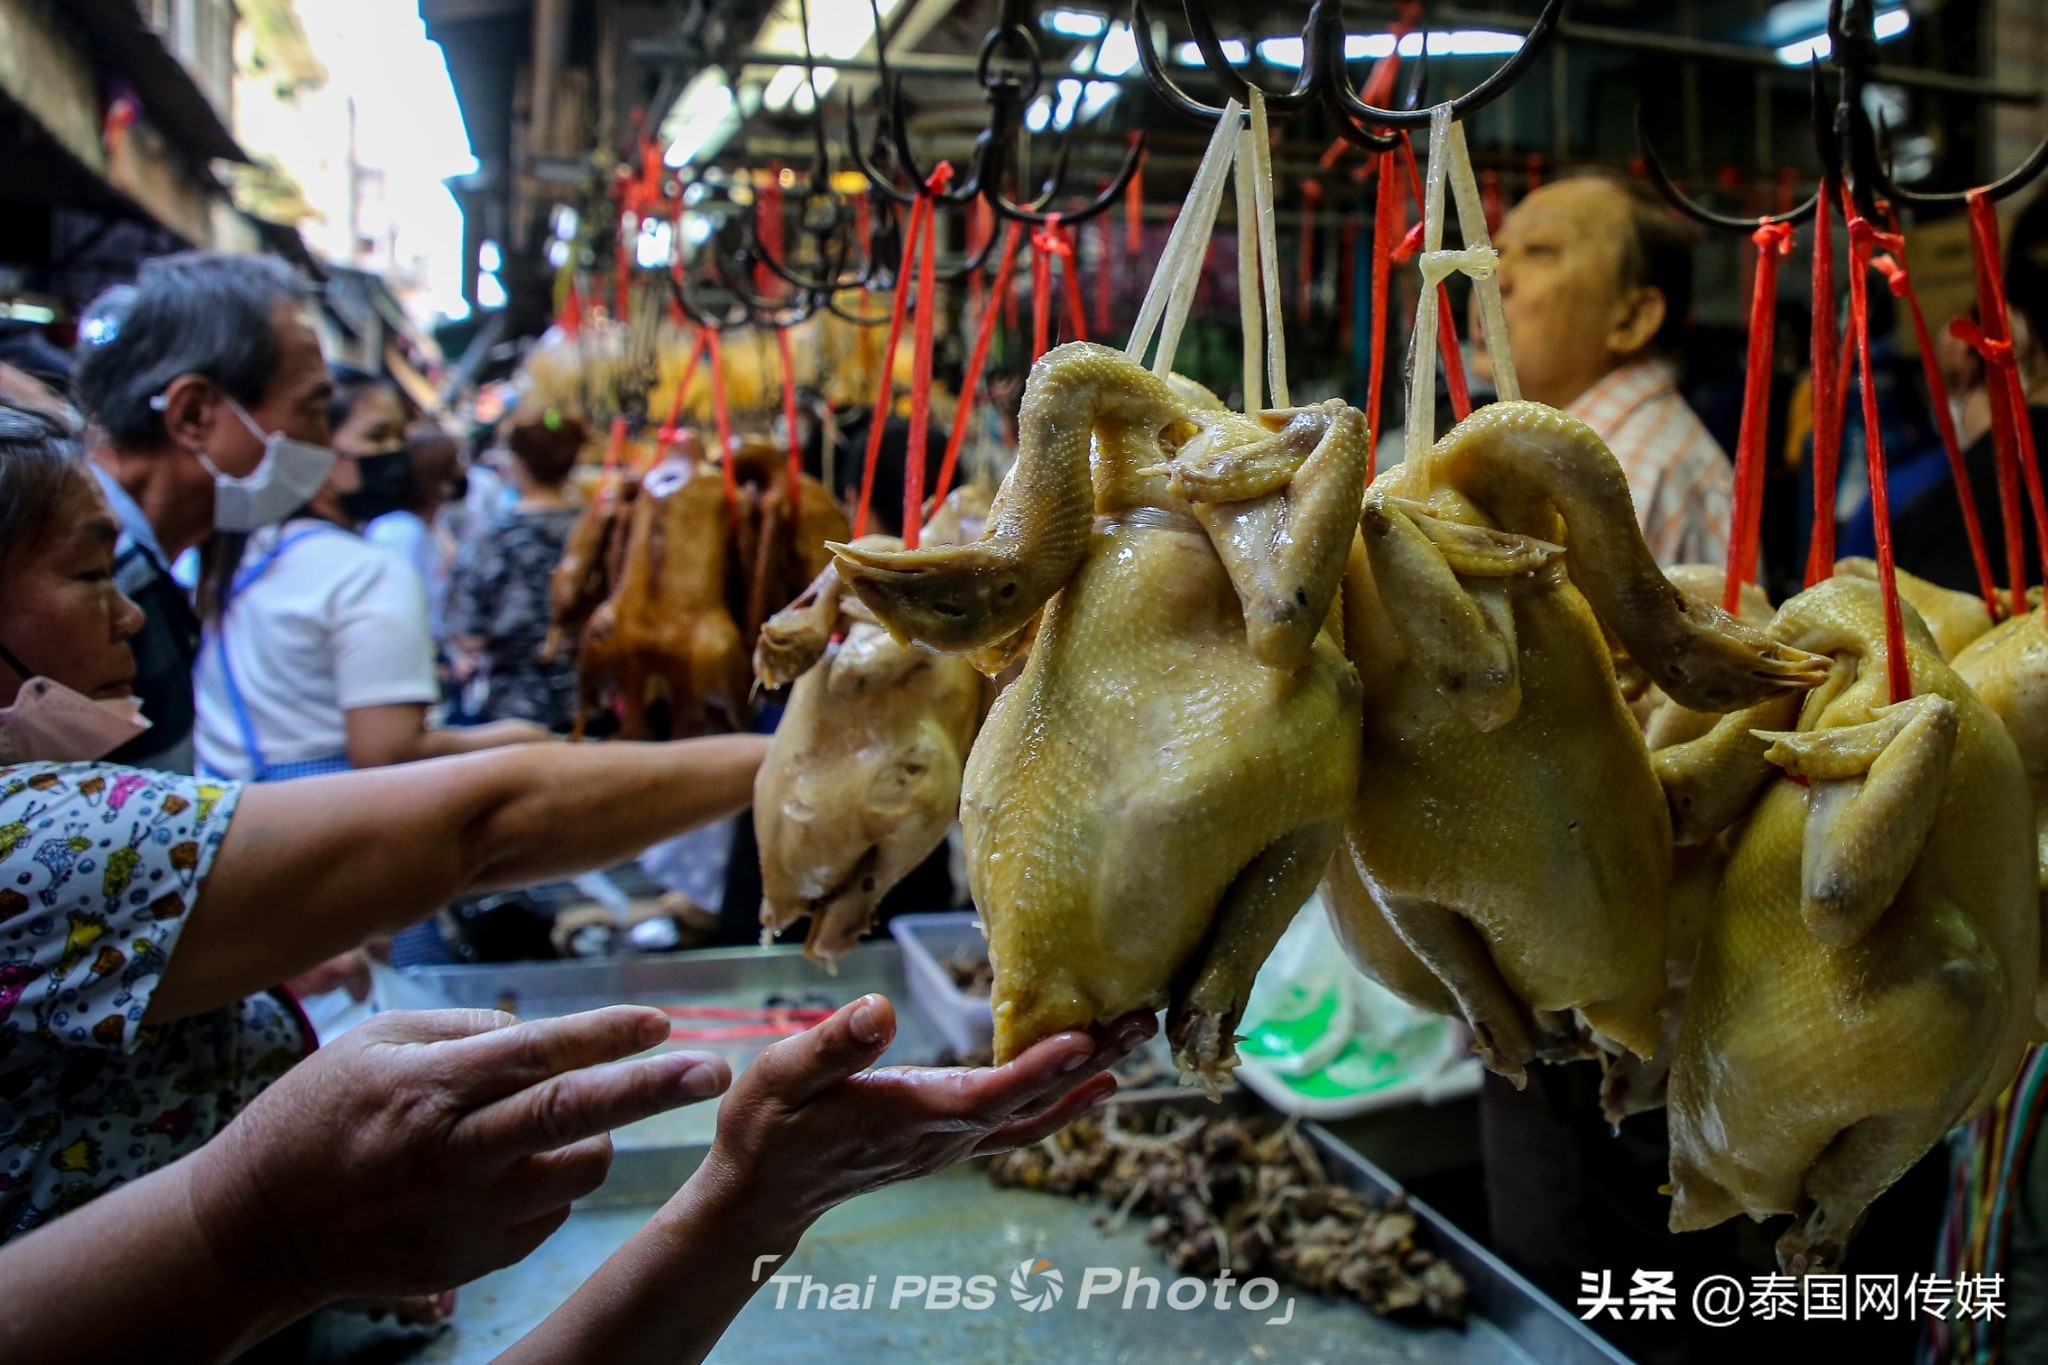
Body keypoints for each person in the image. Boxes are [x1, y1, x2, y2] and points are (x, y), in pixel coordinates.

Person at [0, 402, 1149, 1358]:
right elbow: (482, 826)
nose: (134, 610)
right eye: (91, 572)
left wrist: (291, 1266)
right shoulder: (37, 846)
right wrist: (830, 753)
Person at [190, 368, 543, 780]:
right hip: (322, 816)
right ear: (318, 446)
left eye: (399, 436)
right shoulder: (367, 574)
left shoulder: (255, 551)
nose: (396, 453)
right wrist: (522, 739)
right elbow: (390, 754)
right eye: (377, 438)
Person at [71, 253, 332, 773]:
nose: (326, 444)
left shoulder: (135, 572)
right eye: (312, 409)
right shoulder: (86, 583)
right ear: (193, 415)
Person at [1475, 172, 1732, 567]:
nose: (1491, 277)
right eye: (1498, 250)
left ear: (1632, 318)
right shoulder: (1575, 459)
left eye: (1538, 251)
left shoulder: (1627, 475)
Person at [444, 408, 587, 732]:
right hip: (591, 703)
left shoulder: (492, 536)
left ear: (518, 463)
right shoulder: (598, 528)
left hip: (512, 716)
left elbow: (466, 632)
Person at [364, 419, 462, 637]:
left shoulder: (430, 525)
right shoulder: (399, 531)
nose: (457, 477)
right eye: (450, 470)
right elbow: (400, 611)